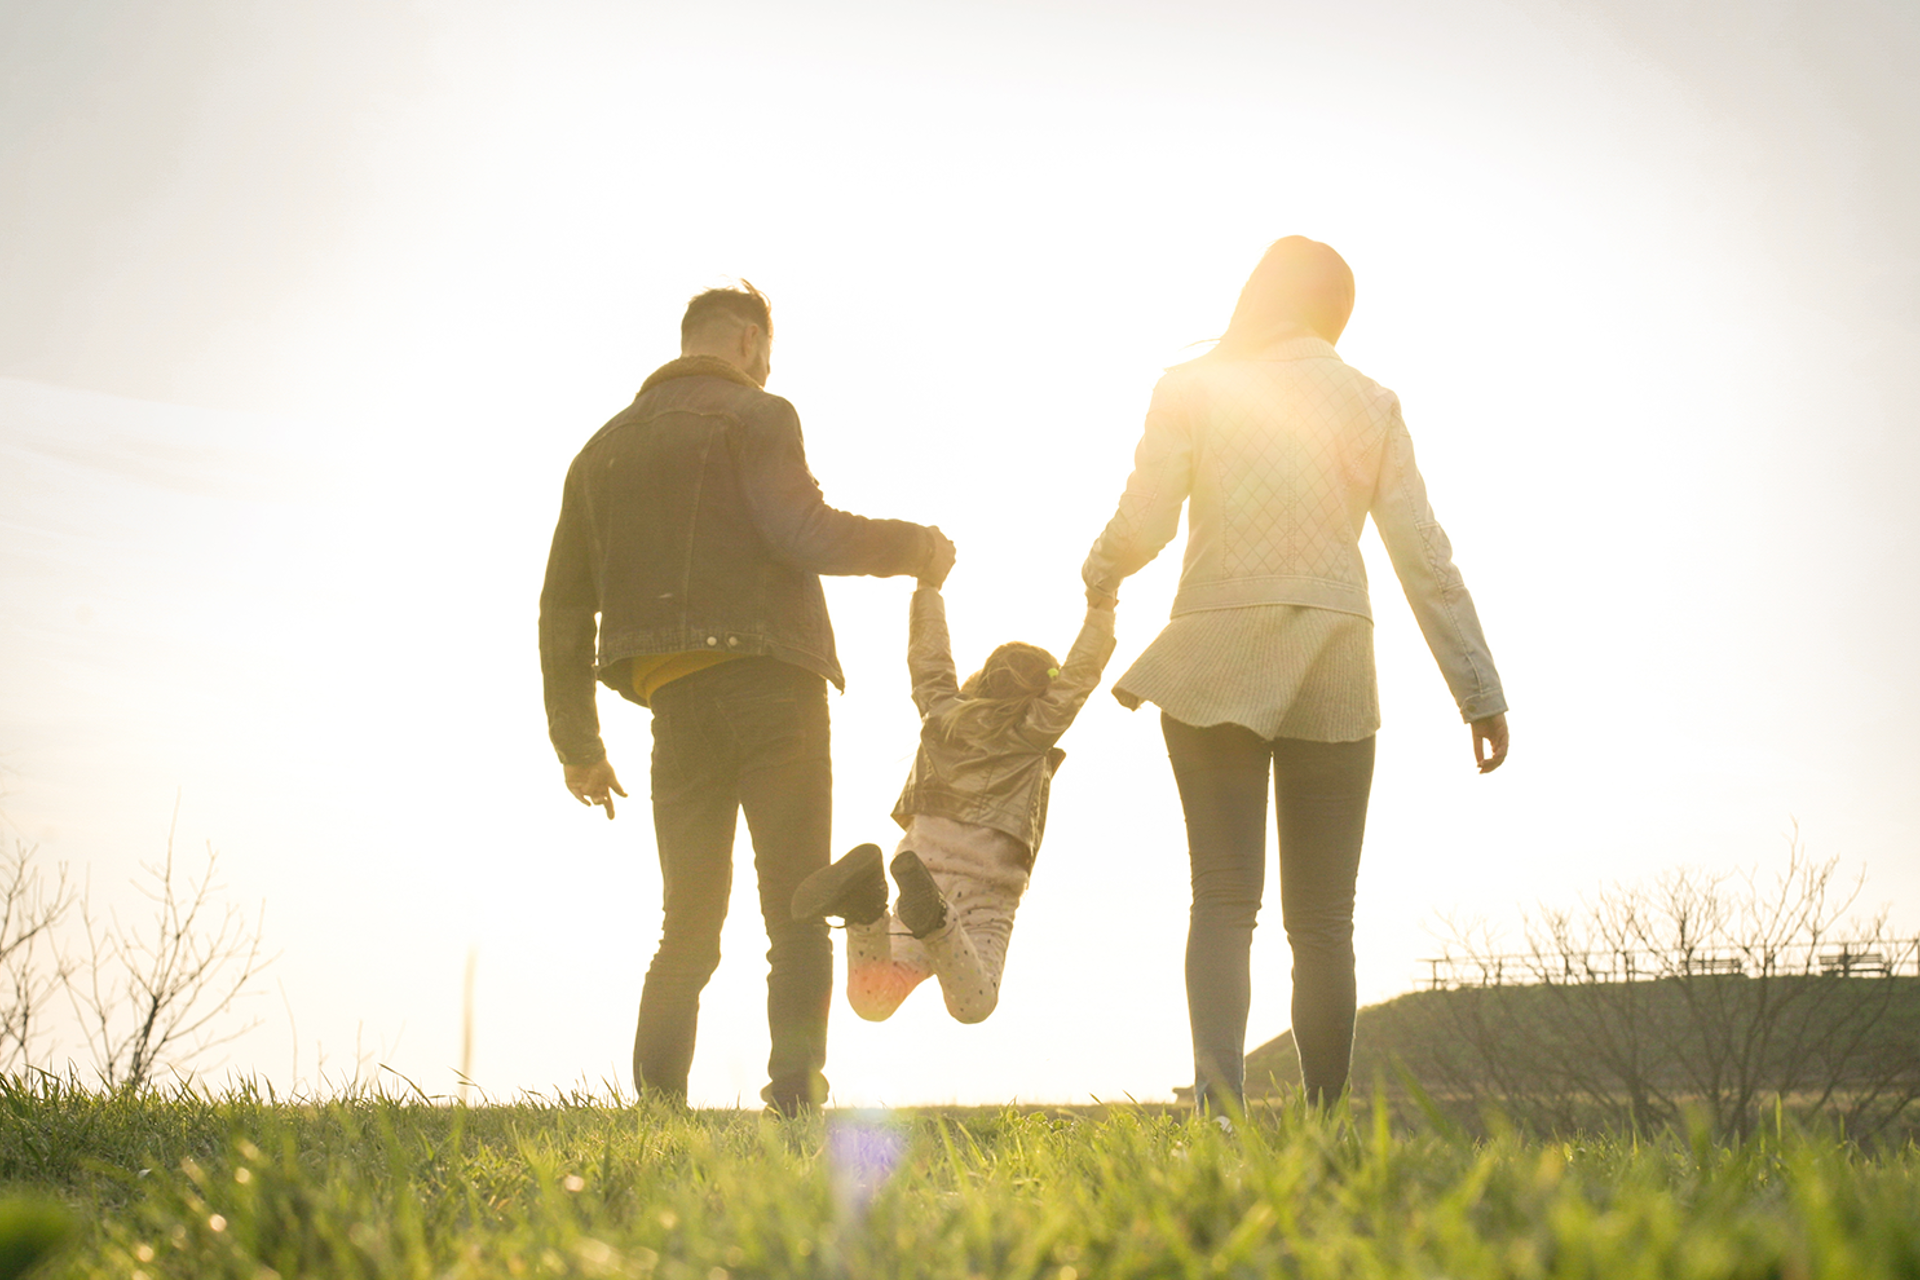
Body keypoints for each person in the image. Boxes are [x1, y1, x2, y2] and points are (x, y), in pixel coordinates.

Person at [1080, 236, 1509, 1113]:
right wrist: (1479, 690)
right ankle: (1325, 1124)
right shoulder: (1373, 402)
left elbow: (1146, 520)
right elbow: (1424, 556)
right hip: (1333, 661)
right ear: (1338, 313)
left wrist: (1101, 571)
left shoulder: (1193, 388)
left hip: (1212, 654)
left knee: (1221, 898)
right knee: (1323, 923)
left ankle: (1218, 1114)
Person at [538, 282, 956, 1115]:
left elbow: (562, 610)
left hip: (675, 704)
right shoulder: (759, 416)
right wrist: (917, 549)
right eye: (766, 354)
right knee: (796, 908)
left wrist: (578, 745)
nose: (767, 370)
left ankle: (657, 1109)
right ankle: (795, 1101)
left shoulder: (599, 453)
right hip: (773, 685)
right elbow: (804, 531)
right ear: (747, 342)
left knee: (687, 926)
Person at [790, 578, 1116, 1024]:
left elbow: (929, 661)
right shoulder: (1033, 733)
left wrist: (928, 588)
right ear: (1043, 695)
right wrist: (1102, 609)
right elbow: (1079, 676)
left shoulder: (941, 715)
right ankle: (936, 919)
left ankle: (865, 907)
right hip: (983, 901)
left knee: (872, 1002)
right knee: (974, 1005)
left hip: (921, 877)